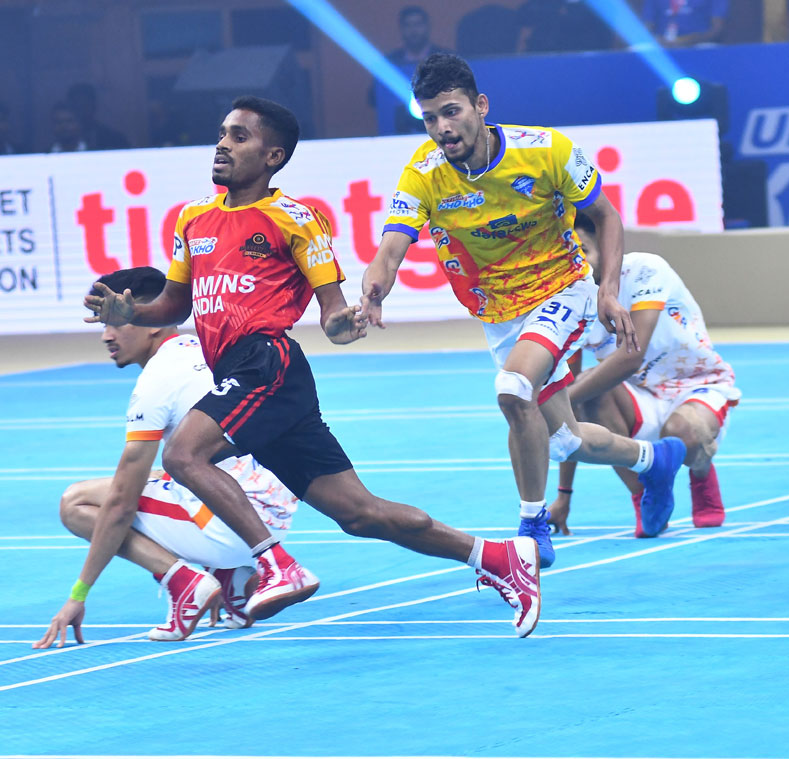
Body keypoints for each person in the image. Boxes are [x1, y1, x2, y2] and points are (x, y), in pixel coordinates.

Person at [84, 95, 544, 638]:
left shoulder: (296, 220)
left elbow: (332, 315)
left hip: (267, 364)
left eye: (239, 137)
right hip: (242, 375)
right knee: (360, 513)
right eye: (223, 134)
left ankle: (277, 565)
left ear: (273, 156)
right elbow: (173, 306)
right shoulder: (193, 218)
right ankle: (496, 557)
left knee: (184, 454)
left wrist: (346, 324)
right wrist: (130, 312)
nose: (222, 145)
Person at [361, 53, 687, 568]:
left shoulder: (546, 150)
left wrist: (606, 290)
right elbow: (391, 248)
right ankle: (654, 459)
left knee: (513, 389)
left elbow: (605, 215)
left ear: (480, 105)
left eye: (451, 112)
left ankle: (531, 528)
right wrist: (375, 288)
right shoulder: (424, 173)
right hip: (498, 314)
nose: (442, 128)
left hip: (561, 289)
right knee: (565, 441)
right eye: (429, 118)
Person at [34, 267, 303, 649]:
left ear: (152, 322)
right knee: (165, 474)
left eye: (115, 322)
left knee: (77, 502)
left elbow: (121, 505)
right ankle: (232, 578)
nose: (106, 335)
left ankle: (185, 582)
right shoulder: (205, 349)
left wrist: (78, 594)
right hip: (271, 516)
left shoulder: (156, 382)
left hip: (233, 527)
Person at [546, 213, 741, 537]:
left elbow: (631, 356)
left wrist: (548, 404)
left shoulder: (644, 269)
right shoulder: (571, 303)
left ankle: (701, 467)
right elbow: (569, 407)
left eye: (583, 251)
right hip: (638, 397)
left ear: (605, 248)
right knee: (584, 392)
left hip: (698, 386)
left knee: (681, 431)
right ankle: (646, 495)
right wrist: (563, 496)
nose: (575, 263)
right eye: (566, 256)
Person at [369, 6, 451, 135]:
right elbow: (373, 98)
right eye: (408, 25)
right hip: (399, 132)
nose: (414, 30)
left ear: (427, 27)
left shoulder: (446, 58)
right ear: (401, 29)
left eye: (418, 24)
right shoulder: (389, 63)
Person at [67, 83, 131, 151]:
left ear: (94, 106)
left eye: (85, 105)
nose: (82, 112)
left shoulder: (114, 139)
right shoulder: (63, 139)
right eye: (78, 107)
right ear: (70, 109)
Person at [641, 0, 728, 47]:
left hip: (698, 45)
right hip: (662, 45)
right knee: (638, 50)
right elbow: (647, 25)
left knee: (710, 49)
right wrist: (658, 40)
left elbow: (717, 28)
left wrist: (690, 40)